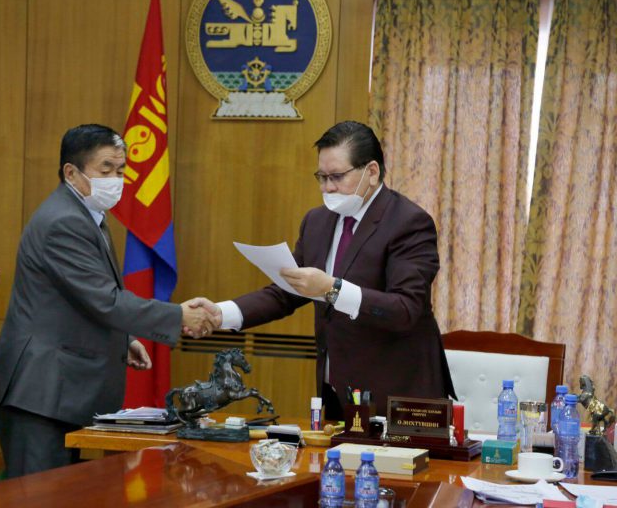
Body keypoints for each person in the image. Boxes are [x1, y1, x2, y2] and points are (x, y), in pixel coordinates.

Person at [0, 124, 215, 478]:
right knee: (37, 496)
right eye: (106, 169)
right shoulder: (64, 221)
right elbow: (105, 300)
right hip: (39, 390)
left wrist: (124, 339)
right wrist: (178, 315)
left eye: (120, 171)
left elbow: (79, 299)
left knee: (58, 492)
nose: (116, 180)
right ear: (71, 172)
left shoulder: (84, 214)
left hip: (55, 388)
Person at [191, 121, 455, 419]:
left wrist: (333, 289)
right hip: (337, 392)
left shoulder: (408, 222)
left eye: (337, 177)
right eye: (322, 177)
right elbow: (287, 291)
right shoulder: (316, 221)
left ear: (371, 172)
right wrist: (222, 313)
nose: (327, 188)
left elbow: (406, 309)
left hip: (398, 397)